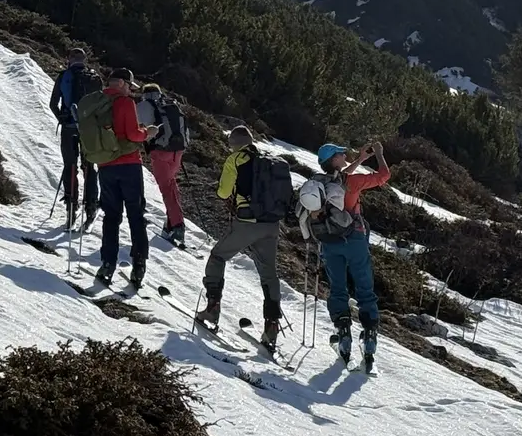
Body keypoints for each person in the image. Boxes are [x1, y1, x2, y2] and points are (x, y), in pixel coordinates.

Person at [300, 141, 391, 370]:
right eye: (341, 154)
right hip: (355, 240)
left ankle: (344, 336)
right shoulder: (352, 182)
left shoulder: (321, 183)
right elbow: (383, 176)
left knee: (338, 288)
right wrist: (379, 154)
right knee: (364, 288)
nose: (344, 156)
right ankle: (369, 338)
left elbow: (341, 176)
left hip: (330, 243)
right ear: (334, 159)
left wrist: (361, 159)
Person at [197, 126, 291, 350]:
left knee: (218, 257)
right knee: (269, 273)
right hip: (271, 224)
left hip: (247, 223)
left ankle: (212, 308)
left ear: (233, 144)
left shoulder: (235, 159)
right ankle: (271, 326)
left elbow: (223, 192)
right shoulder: (269, 160)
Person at [92, 68, 154, 289]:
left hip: (105, 166)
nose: (131, 90)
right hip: (128, 164)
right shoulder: (125, 103)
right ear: (123, 84)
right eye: (130, 86)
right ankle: (139, 266)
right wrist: (148, 133)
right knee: (136, 214)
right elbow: (132, 134)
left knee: (111, 216)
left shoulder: (96, 102)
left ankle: (107, 264)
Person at [49, 49, 101, 229]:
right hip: (89, 130)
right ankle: (91, 206)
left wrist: (62, 118)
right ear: (84, 60)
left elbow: (53, 103)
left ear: (69, 60)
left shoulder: (64, 76)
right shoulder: (94, 77)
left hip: (69, 127)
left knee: (69, 165)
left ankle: (71, 206)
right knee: (89, 167)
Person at [138, 82, 189, 248]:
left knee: (166, 188)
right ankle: (170, 225)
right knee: (171, 185)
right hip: (177, 151)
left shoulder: (145, 105)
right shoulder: (170, 105)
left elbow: (141, 129)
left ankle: (177, 225)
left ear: (145, 93)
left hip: (160, 151)